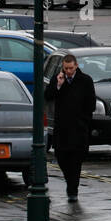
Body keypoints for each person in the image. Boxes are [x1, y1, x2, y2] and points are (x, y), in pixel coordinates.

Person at [44, 53, 96, 202]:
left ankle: (73, 190)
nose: (68, 71)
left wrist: (84, 120)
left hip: (79, 128)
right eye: (66, 68)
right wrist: (58, 85)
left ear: (76, 66)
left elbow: (91, 103)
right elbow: (47, 96)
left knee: (76, 161)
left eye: (71, 68)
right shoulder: (58, 79)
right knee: (61, 157)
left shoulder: (85, 80)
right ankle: (70, 183)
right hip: (62, 128)